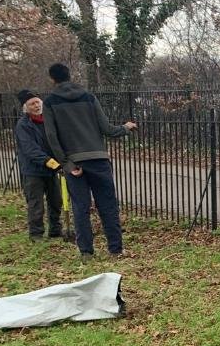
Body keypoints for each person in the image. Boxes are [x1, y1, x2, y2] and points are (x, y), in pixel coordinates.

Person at [41, 63, 136, 259]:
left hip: (75, 163)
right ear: (70, 75)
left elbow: (51, 136)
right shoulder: (89, 97)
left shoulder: (50, 103)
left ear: (52, 79)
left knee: (80, 208)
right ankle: (116, 249)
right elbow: (107, 129)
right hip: (99, 159)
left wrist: (66, 164)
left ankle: (86, 252)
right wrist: (125, 127)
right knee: (108, 205)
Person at [13, 89, 63, 241]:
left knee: (56, 200)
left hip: (52, 170)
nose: (36, 106)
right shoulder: (23, 125)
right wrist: (49, 161)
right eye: (32, 104)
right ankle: (36, 234)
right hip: (33, 171)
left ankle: (55, 230)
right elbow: (30, 149)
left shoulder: (48, 120)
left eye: (38, 102)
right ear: (26, 108)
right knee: (36, 203)